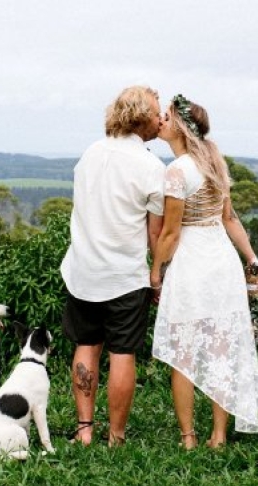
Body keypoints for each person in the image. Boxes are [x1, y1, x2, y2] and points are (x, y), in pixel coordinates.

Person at [150, 94, 258, 449]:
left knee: (183, 352)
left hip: (192, 263)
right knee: (221, 348)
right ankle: (218, 435)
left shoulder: (177, 171)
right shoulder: (215, 161)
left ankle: (188, 437)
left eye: (166, 117)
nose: (160, 121)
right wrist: (251, 258)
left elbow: (169, 233)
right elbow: (229, 219)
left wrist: (155, 270)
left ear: (181, 127)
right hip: (223, 263)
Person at [60, 86, 165, 447]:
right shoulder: (152, 167)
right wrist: (159, 277)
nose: (160, 119)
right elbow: (155, 234)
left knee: (86, 345)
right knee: (123, 353)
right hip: (124, 275)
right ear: (140, 117)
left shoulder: (89, 154)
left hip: (84, 271)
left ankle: (84, 429)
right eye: (156, 112)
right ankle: (116, 436)